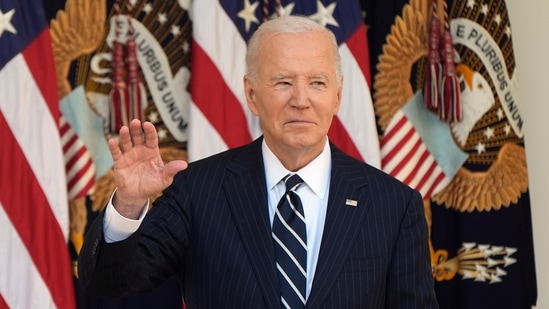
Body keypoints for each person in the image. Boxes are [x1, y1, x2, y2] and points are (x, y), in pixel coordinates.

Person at [78, 15, 439, 308]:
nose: (301, 100)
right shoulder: (197, 191)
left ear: (338, 96)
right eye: (283, 82)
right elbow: (110, 283)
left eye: (317, 83)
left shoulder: (393, 205)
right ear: (252, 94)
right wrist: (128, 204)